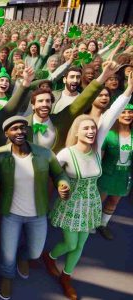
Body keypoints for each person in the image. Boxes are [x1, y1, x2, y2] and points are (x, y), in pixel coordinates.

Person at [43, 72, 132, 300]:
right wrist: (60, 184)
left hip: (91, 202)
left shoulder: (96, 148)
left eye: (93, 129)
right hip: (70, 204)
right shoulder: (65, 153)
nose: (92, 131)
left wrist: (128, 91)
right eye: (86, 129)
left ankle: (67, 276)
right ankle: (50, 256)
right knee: (70, 242)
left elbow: (111, 115)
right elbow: (49, 170)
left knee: (81, 244)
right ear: (77, 131)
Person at [0, 116, 70, 300]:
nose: (19, 131)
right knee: (7, 254)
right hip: (10, 214)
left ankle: (24, 255)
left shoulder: (44, 154)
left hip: (37, 213)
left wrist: (63, 184)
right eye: (14, 129)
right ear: (7, 133)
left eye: (23, 128)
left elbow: (59, 173)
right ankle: (7, 276)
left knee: (35, 251)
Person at [96, 103, 133, 240]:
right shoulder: (109, 134)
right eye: (124, 112)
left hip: (124, 176)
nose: (127, 115)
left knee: (114, 201)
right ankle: (89, 224)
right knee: (98, 201)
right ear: (117, 115)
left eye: (130, 112)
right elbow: (100, 156)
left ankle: (103, 224)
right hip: (107, 174)